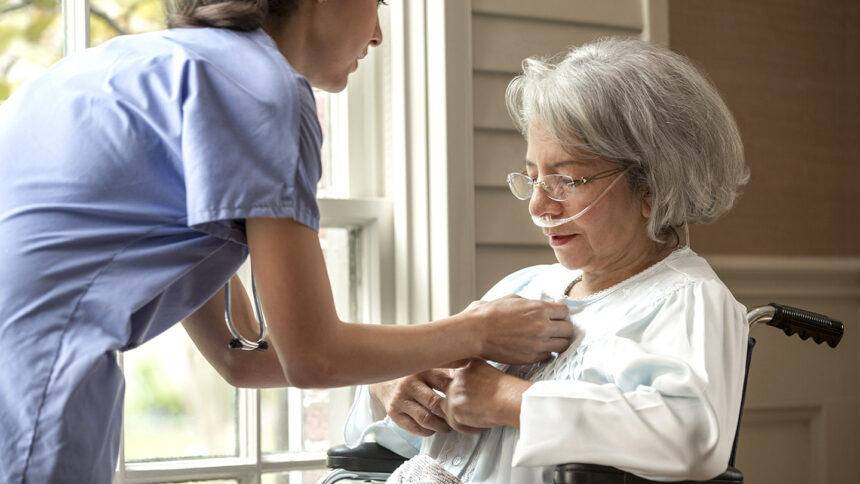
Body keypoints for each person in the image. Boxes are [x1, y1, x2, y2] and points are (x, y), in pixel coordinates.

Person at [0, 1, 575, 482]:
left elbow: (240, 358)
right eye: (377, 1)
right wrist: (479, 329)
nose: (377, 33)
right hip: (34, 386)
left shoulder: (113, 69)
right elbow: (313, 356)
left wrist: (382, 373)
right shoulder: (262, 91)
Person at [343, 37, 751, 483]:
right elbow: (395, 440)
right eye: (533, 177)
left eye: (568, 180)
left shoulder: (688, 300)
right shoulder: (522, 288)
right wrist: (390, 389)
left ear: (653, 186)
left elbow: (690, 439)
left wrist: (509, 398)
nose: (539, 206)